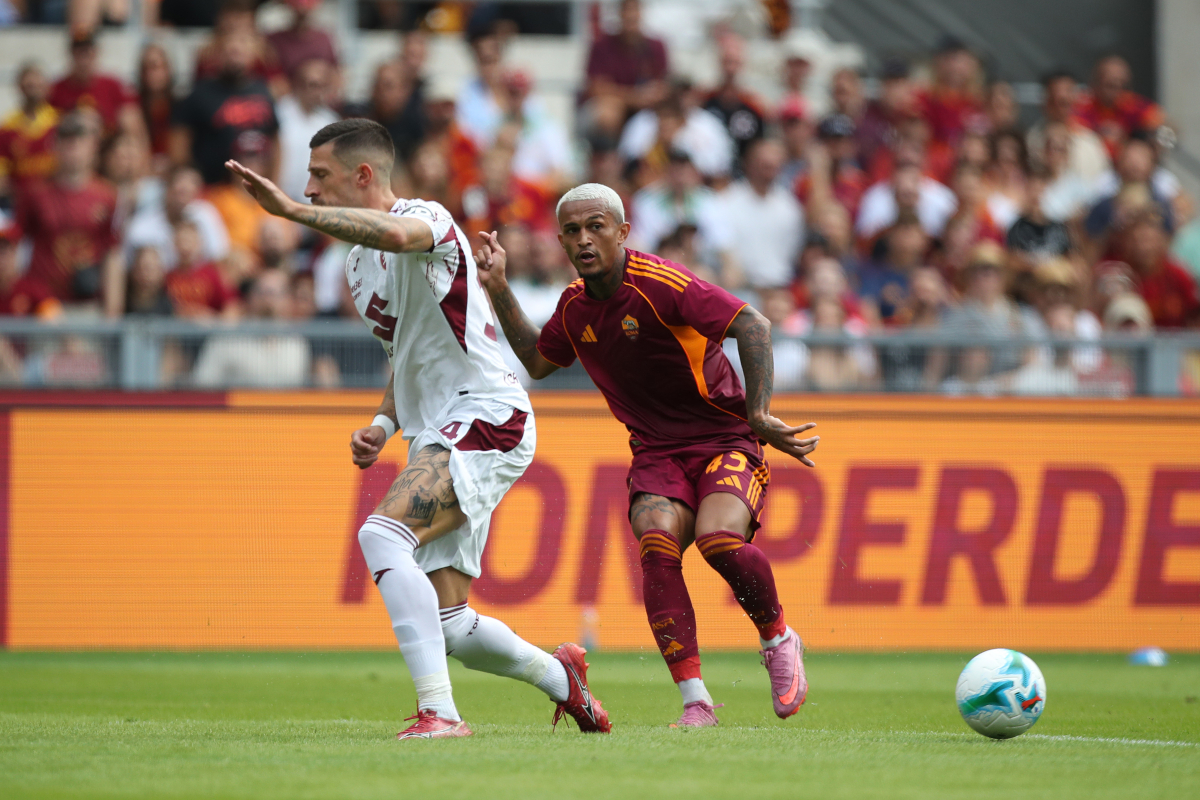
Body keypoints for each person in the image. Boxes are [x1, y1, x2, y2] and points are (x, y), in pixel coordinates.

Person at [224, 118, 609, 739]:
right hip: (438, 430)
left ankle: (441, 714)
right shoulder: (356, 267)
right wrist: (383, 419)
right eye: (307, 181)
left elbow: (398, 233)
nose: (311, 187)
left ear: (364, 175)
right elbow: (406, 352)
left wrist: (292, 212)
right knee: (451, 621)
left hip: (486, 413)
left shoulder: (425, 217)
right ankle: (564, 680)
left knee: (381, 537)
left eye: (319, 176)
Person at [477, 182, 818, 727]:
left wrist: (757, 415)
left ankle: (778, 638)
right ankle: (696, 702)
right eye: (572, 230)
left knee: (718, 540)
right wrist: (497, 286)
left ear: (623, 232)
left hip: (725, 438)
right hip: (657, 452)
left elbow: (753, 323)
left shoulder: (663, 284)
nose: (584, 239)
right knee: (656, 545)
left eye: (596, 226)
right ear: (562, 241)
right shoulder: (573, 308)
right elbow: (538, 362)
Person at [15, 112, 123, 315]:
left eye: (80, 141)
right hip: (43, 303)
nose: (73, 148)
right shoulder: (34, 193)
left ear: (93, 148)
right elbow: (19, 248)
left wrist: (113, 310)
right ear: (54, 147)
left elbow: (113, 254)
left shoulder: (108, 196)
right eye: (66, 141)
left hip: (88, 301)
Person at [170, 26, 279, 186]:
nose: (235, 50)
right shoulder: (199, 94)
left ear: (253, 54)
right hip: (211, 191)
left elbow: (276, 141)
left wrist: (274, 183)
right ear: (218, 54)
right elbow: (179, 145)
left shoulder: (263, 91)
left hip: (254, 192)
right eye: (229, 49)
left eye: (241, 47)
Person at [717, 138, 804, 289]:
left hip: (779, 286)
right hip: (742, 287)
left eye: (773, 165)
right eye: (764, 165)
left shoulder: (789, 206)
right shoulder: (727, 201)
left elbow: (793, 250)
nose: (769, 170)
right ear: (749, 164)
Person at [47, 29, 141, 140]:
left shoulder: (113, 86)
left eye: (87, 53)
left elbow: (132, 125)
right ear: (71, 54)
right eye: (79, 53)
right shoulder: (56, 90)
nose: (83, 60)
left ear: (96, 53)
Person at [276, 59, 339, 203]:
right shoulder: (279, 113)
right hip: (281, 198)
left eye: (322, 86)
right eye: (312, 85)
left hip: (313, 202)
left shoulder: (330, 121)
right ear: (297, 84)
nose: (316, 92)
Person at [0, 62, 59, 201]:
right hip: (19, 201)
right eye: (29, 86)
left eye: (37, 85)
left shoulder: (58, 122)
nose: (33, 90)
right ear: (19, 88)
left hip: (54, 200)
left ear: (47, 87)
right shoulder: (8, 127)